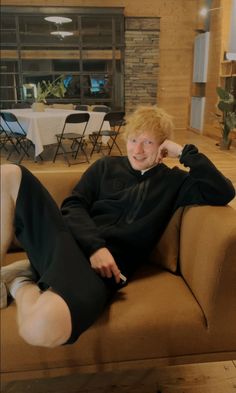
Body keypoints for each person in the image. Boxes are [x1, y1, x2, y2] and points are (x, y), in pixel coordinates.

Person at [0, 105, 235, 348]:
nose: (138, 150)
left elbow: (223, 191)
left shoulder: (174, 182)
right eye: (133, 140)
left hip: (104, 273)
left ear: (163, 147)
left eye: (148, 143)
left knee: (40, 329)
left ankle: (21, 281)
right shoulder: (105, 166)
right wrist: (95, 247)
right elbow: (73, 206)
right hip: (69, 243)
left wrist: (184, 152)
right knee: (7, 174)